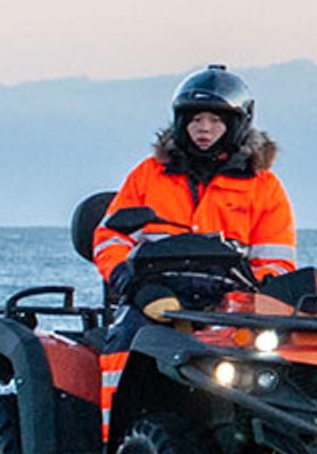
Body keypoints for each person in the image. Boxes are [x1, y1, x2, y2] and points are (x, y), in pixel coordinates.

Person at [91, 64, 297, 313]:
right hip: (155, 299)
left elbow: (276, 262)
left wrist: (247, 297)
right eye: (196, 119)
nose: (204, 128)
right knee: (125, 346)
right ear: (181, 122)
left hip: (231, 310)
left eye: (215, 120)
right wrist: (133, 283)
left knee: (273, 349)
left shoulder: (264, 187)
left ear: (236, 125)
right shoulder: (149, 174)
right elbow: (110, 238)